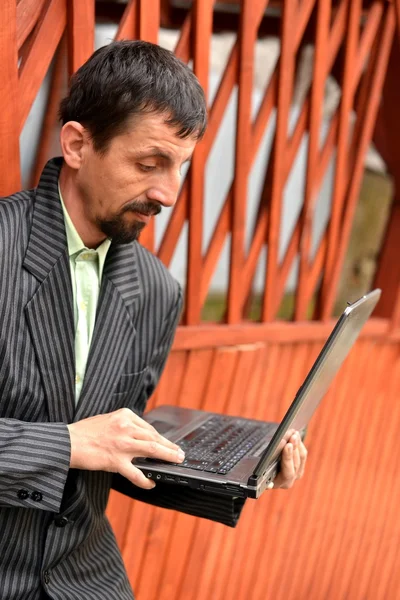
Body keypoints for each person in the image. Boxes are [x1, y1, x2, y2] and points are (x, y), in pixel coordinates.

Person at [0, 40, 307, 600]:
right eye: (149, 164)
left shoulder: (158, 291)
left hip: (89, 583)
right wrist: (66, 444)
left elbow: (111, 461)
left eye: (180, 168)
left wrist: (241, 477)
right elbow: (81, 447)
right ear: (77, 144)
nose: (167, 193)